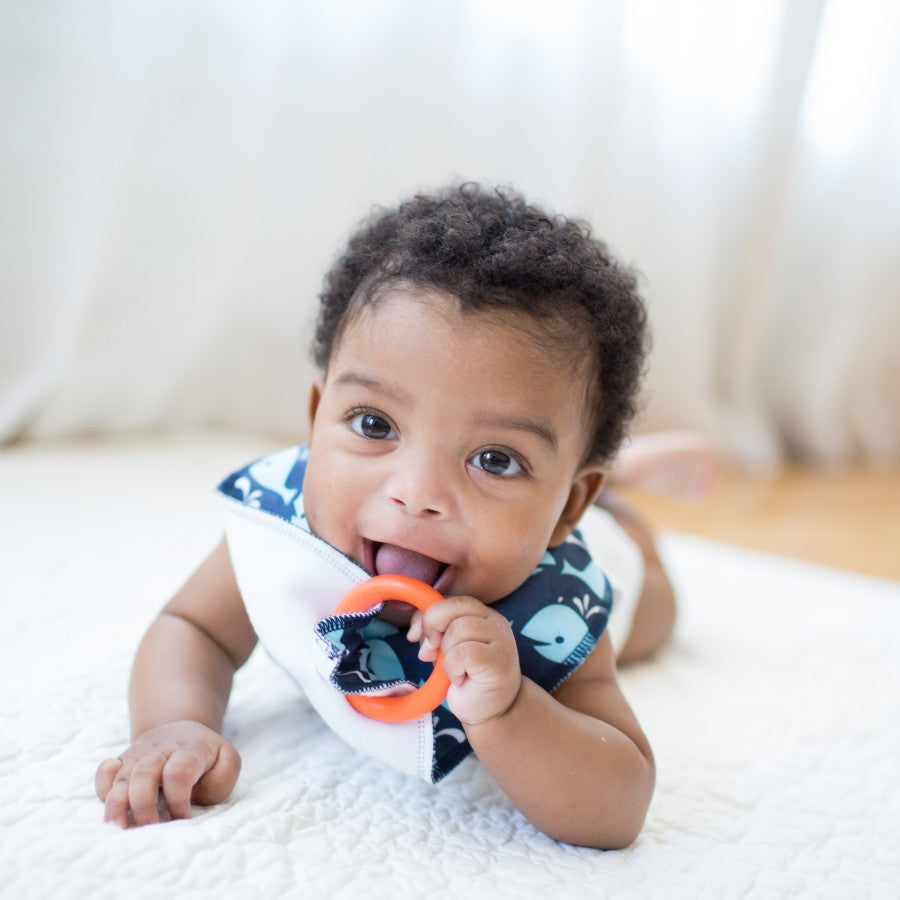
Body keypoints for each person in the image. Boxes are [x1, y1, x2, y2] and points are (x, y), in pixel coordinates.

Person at [94, 184, 700, 849]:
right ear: (317, 419)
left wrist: (509, 707)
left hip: (600, 555)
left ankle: (621, 506)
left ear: (567, 506)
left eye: (495, 459)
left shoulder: (557, 602)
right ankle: (599, 472)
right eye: (374, 424)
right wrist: (174, 724)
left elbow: (618, 808)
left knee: (658, 610)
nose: (416, 493)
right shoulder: (283, 528)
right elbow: (194, 628)